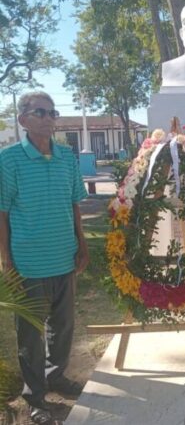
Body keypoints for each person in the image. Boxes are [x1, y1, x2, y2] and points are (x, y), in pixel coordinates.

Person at [0, 92, 89, 424]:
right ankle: (35, 397)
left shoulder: (67, 156)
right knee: (30, 336)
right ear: (24, 120)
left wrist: (83, 244)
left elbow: (75, 204)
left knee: (63, 328)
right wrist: (5, 258)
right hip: (27, 263)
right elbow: (2, 212)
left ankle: (57, 377)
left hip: (64, 259)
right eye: (42, 112)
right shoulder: (9, 160)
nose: (50, 118)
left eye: (53, 112)